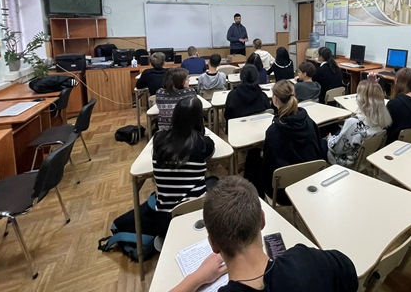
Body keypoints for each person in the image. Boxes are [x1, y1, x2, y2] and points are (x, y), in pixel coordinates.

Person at [169, 176, 358, 292]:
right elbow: (349, 273)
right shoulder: (305, 259)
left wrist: (196, 278)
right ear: (262, 220)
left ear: (213, 244)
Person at [152, 96, 214, 237]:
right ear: (199, 119)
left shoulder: (158, 139)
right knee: (215, 181)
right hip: (196, 217)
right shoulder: (202, 144)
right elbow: (210, 148)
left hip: (164, 220)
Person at [262, 80, 325, 203]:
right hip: (310, 183)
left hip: (282, 193)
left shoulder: (273, 132)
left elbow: (268, 166)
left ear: (275, 100)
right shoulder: (310, 122)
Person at [326, 78, 392, 168]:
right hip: (364, 159)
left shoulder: (353, 123)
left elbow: (336, 148)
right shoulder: (382, 119)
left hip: (345, 161)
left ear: (362, 100)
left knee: (321, 142)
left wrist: (329, 139)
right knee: (336, 129)